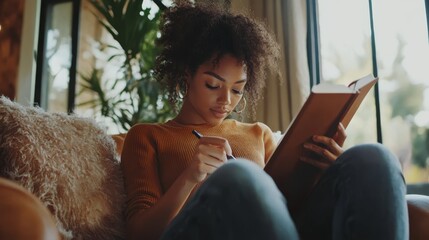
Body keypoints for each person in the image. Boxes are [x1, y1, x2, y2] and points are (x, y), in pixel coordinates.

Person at [120, 1, 408, 240]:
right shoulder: (147, 136)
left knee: (373, 157)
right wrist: (190, 177)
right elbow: (140, 233)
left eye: (237, 89)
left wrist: (325, 169)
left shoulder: (260, 134)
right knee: (240, 176)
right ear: (186, 77)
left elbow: (289, 207)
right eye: (212, 85)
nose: (226, 100)